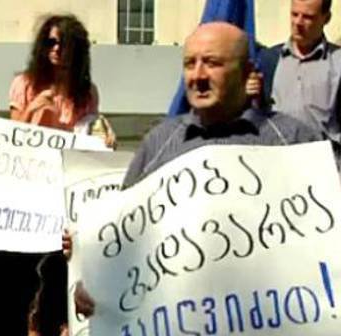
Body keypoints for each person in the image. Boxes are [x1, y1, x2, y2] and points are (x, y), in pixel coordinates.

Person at [66, 22, 323, 317]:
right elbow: (122, 240)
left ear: (246, 72)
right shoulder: (160, 142)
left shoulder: (292, 141)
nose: (198, 76)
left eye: (212, 63)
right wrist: (96, 285)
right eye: (190, 64)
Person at [9, 14, 115, 146]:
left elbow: (91, 131)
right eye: (51, 42)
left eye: (64, 44)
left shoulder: (88, 93)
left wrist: (104, 136)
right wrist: (32, 108)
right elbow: (10, 136)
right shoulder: (24, 84)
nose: (56, 49)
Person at [256, 0, 341, 146]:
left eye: (308, 17)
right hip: (277, 154)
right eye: (294, 14)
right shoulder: (269, 58)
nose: (298, 23)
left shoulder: (338, 61)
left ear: (326, 18)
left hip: (323, 158)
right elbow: (257, 115)